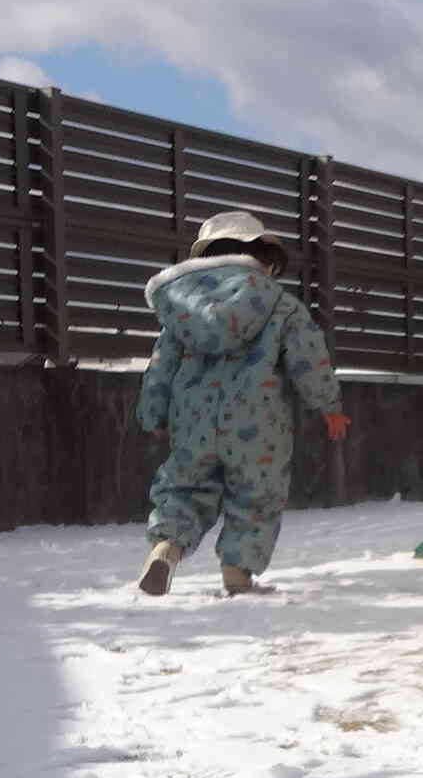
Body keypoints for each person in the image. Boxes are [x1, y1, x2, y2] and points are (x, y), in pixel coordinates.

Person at [135, 209, 349, 596]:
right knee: (256, 494)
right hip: (260, 427)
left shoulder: (183, 312)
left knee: (184, 487)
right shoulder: (280, 305)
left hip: (192, 423)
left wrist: (152, 412)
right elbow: (308, 358)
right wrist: (329, 406)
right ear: (263, 259)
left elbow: (160, 366)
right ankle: (237, 575)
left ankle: (166, 548)